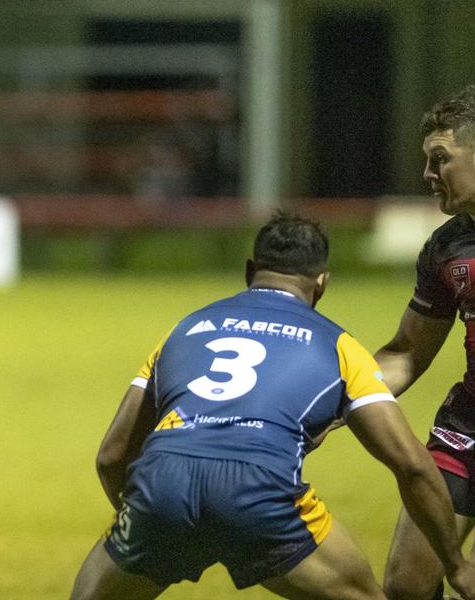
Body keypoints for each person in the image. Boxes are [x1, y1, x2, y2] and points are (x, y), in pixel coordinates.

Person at [70, 212, 475, 600]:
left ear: (250, 272)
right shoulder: (337, 345)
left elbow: (111, 456)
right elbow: (412, 466)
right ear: (322, 284)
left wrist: (149, 520)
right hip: (258, 488)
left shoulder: (185, 329)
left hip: (163, 484)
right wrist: (456, 566)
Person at [377, 86, 475, 600]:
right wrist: (324, 398)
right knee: (407, 583)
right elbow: (407, 354)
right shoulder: (446, 246)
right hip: (468, 427)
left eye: (441, 159)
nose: (428, 174)